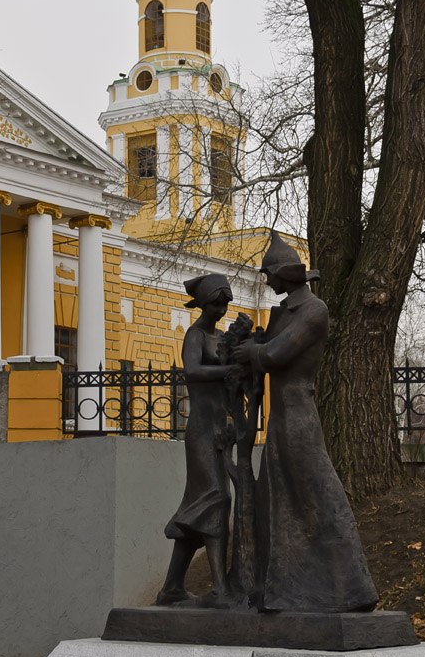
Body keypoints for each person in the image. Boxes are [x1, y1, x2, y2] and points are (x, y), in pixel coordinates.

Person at [235, 232, 378, 613]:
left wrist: (253, 351)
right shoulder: (283, 312)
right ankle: (283, 590)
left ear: (283, 274)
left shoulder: (315, 310)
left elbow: (277, 353)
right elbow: (267, 351)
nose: (267, 282)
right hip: (279, 417)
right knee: (278, 500)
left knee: (319, 495)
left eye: (269, 274)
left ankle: (352, 588)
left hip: (299, 414)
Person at [155, 273, 236, 606]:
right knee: (217, 499)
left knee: (201, 505)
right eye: (216, 304)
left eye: (225, 304)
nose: (222, 310)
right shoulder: (195, 335)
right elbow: (192, 371)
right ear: (203, 303)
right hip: (202, 429)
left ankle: (171, 588)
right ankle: (219, 589)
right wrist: (227, 370)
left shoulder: (223, 338)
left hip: (221, 428)